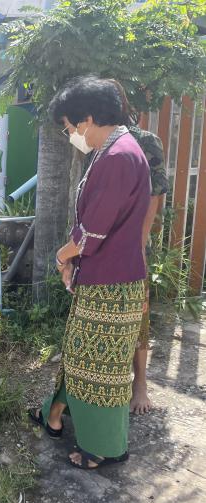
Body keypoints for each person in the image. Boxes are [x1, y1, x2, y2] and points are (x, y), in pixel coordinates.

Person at [28, 76, 150, 470]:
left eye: (70, 126)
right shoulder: (111, 150)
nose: (71, 134)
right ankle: (54, 414)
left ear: (89, 118)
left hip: (112, 285)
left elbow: (93, 230)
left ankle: (105, 448)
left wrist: (63, 256)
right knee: (80, 356)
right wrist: (74, 259)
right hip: (103, 279)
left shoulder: (118, 157)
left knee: (101, 370)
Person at [108, 79, 169, 415]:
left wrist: (142, 239)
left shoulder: (144, 141)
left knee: (139, 315)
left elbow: (156, 192)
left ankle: (140, 382)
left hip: (133, 245)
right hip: (102, 244)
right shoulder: (98, 141)